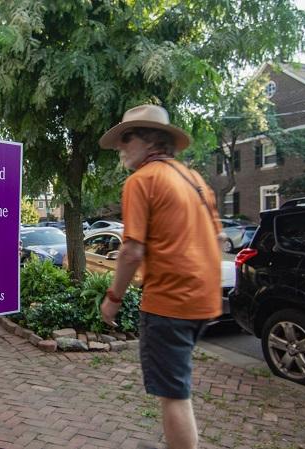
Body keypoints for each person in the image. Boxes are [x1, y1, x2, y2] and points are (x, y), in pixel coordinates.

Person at [97, 105, 222, 449]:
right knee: (177, 386)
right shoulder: (195, 181)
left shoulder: (142, 180)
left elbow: (132, 251)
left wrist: (113, 300)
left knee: (174, 395)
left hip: (169, 303)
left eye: (127, 137)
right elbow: (218, 239)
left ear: (150, 141)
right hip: (204, 301)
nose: (121, 146)